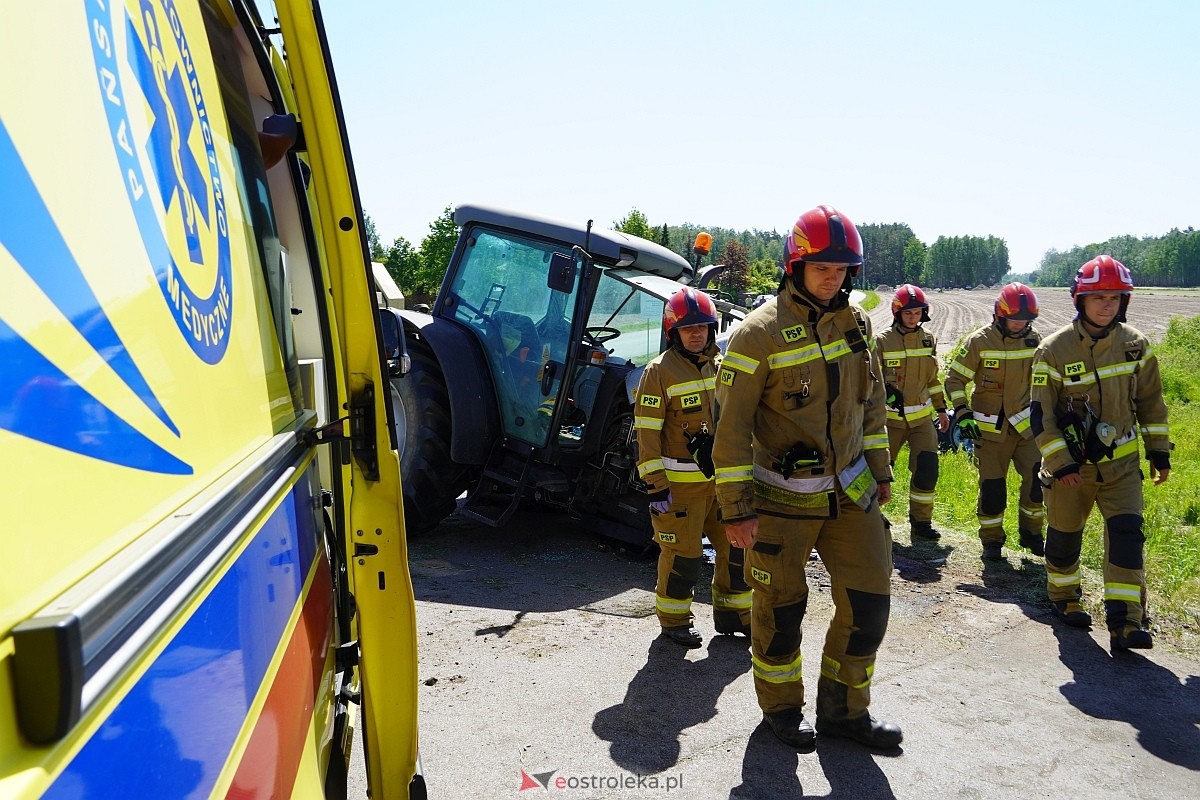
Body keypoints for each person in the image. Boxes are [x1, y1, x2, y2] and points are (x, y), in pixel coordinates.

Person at [713, 205, 901, 750]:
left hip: (851, 496)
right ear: (795, 265)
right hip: (778, 505)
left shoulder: (858, 323)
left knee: (868, 606)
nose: (832, 277)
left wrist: (881, 471)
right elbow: (729, 427)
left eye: (843, 269)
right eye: (822, 266)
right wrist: (736, 510)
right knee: (780, 612)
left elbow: (871, 403)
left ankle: (844, 713)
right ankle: (781, 710)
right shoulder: (758, 334)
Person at [1030, 256, 1171, 650]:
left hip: (1122, 467)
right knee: (1064, 539)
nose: (1106, 305)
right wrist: (1062, 464)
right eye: (1098, 297)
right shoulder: (1053, 350)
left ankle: (1126, 621)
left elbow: (1151, 403)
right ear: (1080, 300)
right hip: (1071, 471)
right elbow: (1041, 417)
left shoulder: (1135, 345)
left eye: (1115, 297)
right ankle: (1064, 598)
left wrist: (1159, 452)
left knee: (1127, 536)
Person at [634, 287, 752, 648]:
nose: (697, 334)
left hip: (722, 483)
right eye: (688, 329)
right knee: (684, 556)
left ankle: (734, 615)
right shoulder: (658, 373)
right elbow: (647, 433)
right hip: (678, 488)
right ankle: (674, 621)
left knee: (736, 549)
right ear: (674, 332)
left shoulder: (722, 366)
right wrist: (656, 485)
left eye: (703, 327)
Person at [944, 283, 1046, 561]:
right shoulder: (979, 341)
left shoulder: (1034, 341)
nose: (1019, 324)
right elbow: (954, 380)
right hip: (989, 432)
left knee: (1037, 484)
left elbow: (1045, 381)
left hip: (1026, 431)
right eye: (1014, 319)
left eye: (1026, 320)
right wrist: (962, 413)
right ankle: (991, 542)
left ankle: (1032, 535)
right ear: (1000, 315)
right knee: (992, 489)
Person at [876, 284, 950, 539]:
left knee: (927, 470)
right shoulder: (882, 341)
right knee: (880, 471)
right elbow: (869, 379)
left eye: (917, 312)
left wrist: (941, 409)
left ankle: (921, 524)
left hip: (921, 419)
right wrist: (886, 390)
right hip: (890, 421)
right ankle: (871, 519)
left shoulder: (928, 338)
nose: (912, 317)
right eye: (908, 313)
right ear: (897, 313)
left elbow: (933, 380)